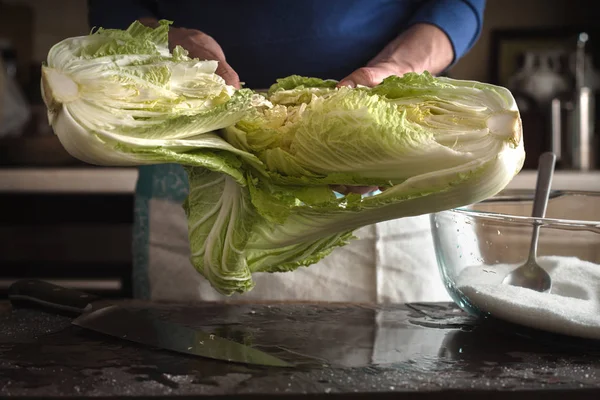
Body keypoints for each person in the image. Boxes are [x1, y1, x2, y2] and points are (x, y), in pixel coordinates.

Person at [87, 0, 486, 303]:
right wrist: (164, 40)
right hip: (197, 160)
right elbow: (114, 7)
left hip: (383, 170)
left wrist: (398, 67)